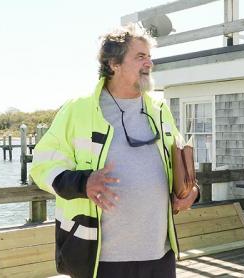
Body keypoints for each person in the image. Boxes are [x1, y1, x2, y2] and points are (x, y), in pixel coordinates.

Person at [30, 23, 199, 278]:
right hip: (101, 260)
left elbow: (179, 164)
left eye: (150, 57)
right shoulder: (79, 109)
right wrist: (83, 182)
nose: (149, 64)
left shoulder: (160, 109)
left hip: (159, 255)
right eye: (140, 57)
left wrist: (192, 192)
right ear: (113, 64)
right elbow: (42, 165)